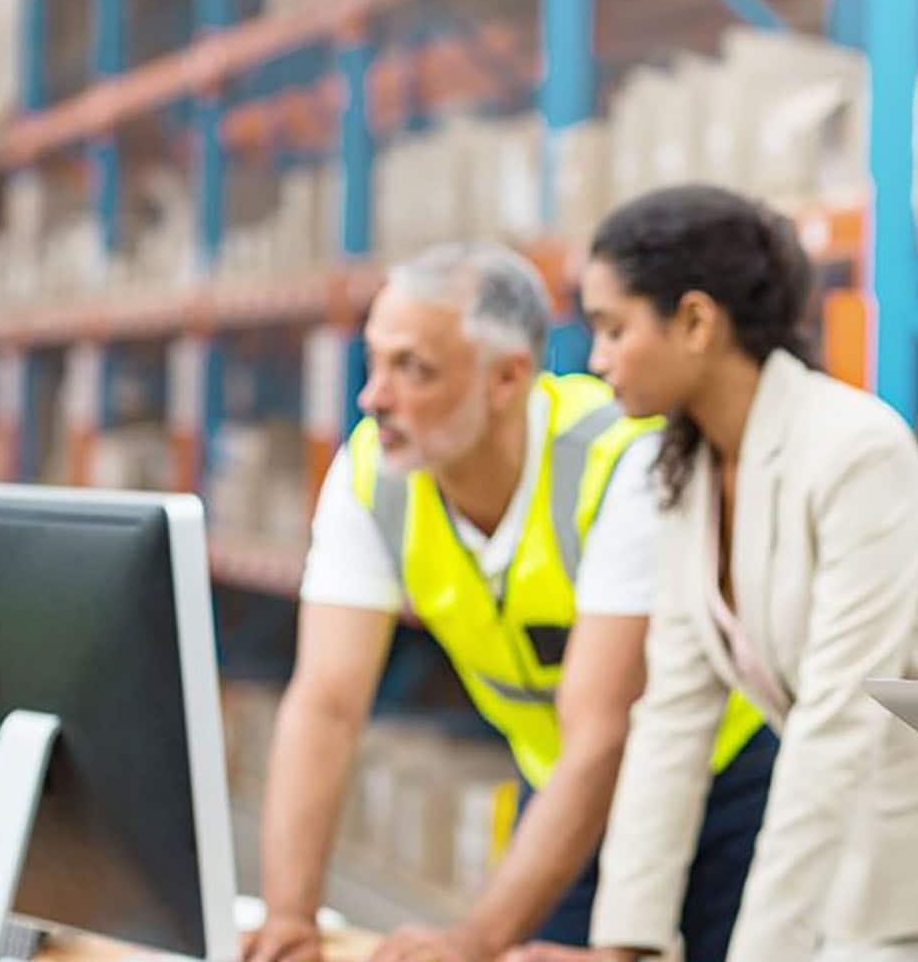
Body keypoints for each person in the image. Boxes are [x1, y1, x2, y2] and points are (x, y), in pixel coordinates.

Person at [240, 244, 775, 962]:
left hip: (723, 781)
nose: (374, 398)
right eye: (374, 362)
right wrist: (289, 919)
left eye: (413, 369)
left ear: (507, 379)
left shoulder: (623, 464)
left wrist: (473, 941)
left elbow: (602, 733)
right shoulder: (374, 475)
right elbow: (326, 703)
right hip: (562, 784)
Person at [568, 185, 918, 962]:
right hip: (842, 885)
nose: (597, 359)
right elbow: (673, 720)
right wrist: (626, 939)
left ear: (695, 320)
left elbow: (837, 721)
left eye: (612, 328)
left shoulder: (856, 450)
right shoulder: (688, 470)